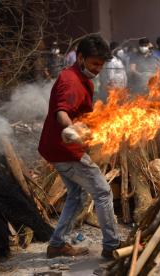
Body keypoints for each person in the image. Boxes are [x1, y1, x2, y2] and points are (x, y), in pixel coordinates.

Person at [38, 35, 120, 259]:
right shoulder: (71, 81)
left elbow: (83, 113)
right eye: (94, 64)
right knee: (103, 193)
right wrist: (71, 130)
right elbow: (62, 112)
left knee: (76, 195)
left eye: (101, 65)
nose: (98, 69)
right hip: (65, 149)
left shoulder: (83, 78)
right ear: (81, 58)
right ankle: (112, 246)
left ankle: (56, 245)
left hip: (54, 146)